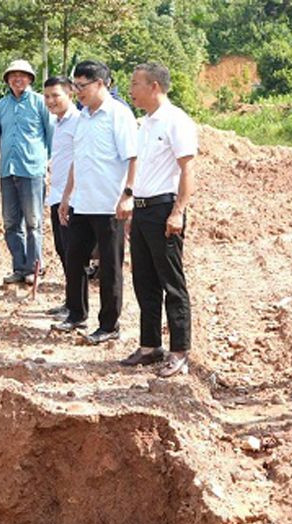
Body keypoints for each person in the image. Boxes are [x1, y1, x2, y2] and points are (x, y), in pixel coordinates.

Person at [121, 62, 197, 377]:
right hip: (142, 209)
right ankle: (150, 346)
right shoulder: (147, 123)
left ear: (154, 86)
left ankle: (179, 351)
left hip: (164, 209)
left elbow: (187, 169)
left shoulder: (176, 121)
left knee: (171, 282)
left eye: (136, 84)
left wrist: (178, 211)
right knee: (144, 281)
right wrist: (131, 202)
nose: (131, 90)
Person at [54, 60, 137, 345]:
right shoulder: (83, 117)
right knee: (74, 258)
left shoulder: (118, 115)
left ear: (101, 84)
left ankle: (109, 324)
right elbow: (78, 160)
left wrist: (128, 194)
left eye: (82, 86)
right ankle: (76, 313)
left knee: (111, 267)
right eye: (75, 86)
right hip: (82, 202)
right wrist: (67, 197)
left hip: (109, 204)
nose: (78, 91)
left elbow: (132, 157)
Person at [0, 59, 52, 285]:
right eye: (13, 75)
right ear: (8, 80)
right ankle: (19, 267)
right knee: (10, 223)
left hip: (32, 170)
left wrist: (46, 162)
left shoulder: (40, 103)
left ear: (29, 79)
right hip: (8, 170)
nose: (17, 79)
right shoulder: (1, 106)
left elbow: (51, 134)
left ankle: (34, 268)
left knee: (33, 222)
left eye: (22, 75)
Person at [42, 75, 79, 317]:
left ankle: (77, 308)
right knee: (62, 250)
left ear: (70, 94)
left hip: (73, 198)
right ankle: (71, 302)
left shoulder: (78, 122)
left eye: (56, 95)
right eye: (46, 96)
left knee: (74, 254)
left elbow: (79, 159)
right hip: (57, 195)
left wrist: (69, 195)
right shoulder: (57, 123)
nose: (50, 101)